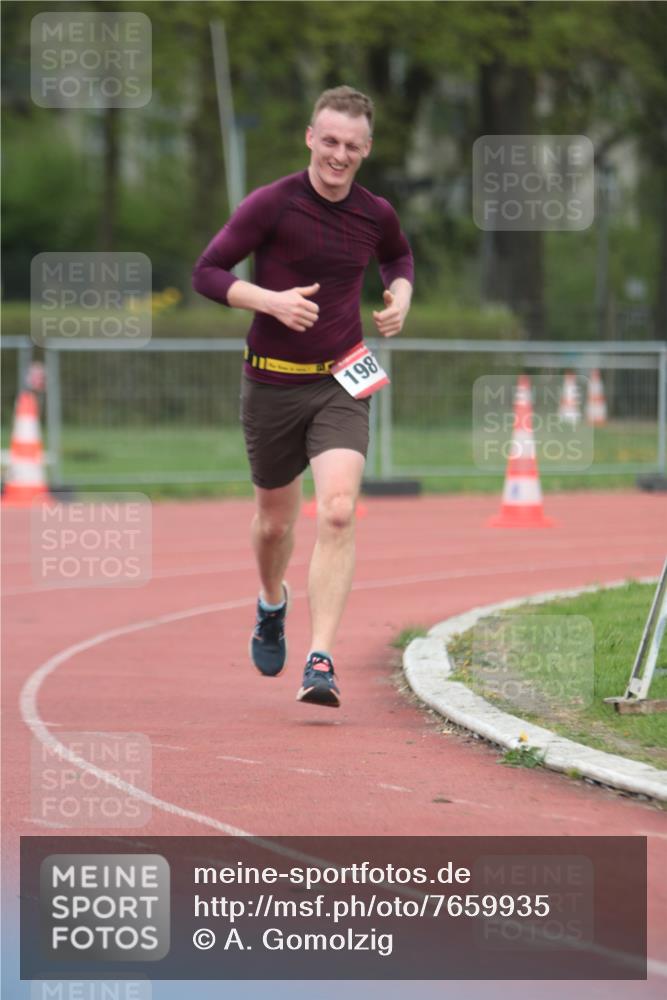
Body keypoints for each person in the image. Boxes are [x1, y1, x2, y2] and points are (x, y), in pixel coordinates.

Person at [192, 85, 413, 708]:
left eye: (352, 145)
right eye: (329, 141)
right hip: (270, 381)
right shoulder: (272, 204)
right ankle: (271, 603)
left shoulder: (376, 212)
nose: (338, 155)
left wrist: (400, 296)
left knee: (338, 510)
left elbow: (399, 255)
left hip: (343, 376)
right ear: (310, 138)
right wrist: (269, 300)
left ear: (366, 150)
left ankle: (321, 659)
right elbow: (206, 271)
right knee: (274, 523)